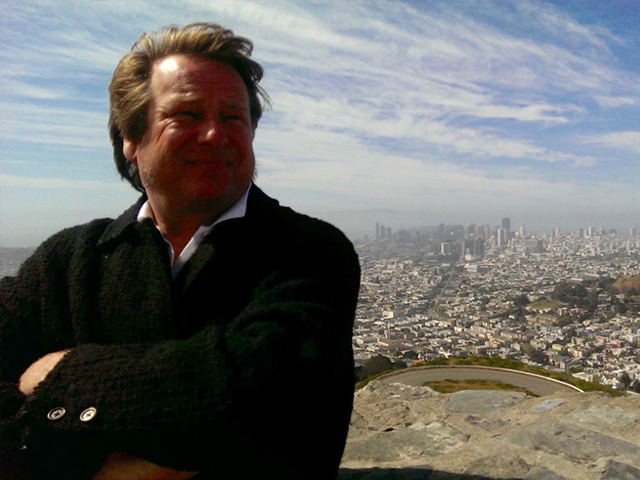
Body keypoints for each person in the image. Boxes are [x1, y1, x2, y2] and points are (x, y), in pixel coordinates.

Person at [0, 23, 360, 480]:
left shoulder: (309, 252)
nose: (215, 134)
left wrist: (62, 373)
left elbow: (263, 394)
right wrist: (83, 464)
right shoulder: (68, 261)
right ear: (131, 138)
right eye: (187, 114)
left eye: (234, 118)